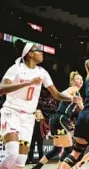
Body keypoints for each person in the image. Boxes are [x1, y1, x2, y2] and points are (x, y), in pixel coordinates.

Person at [0, 40, 80, 169]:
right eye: (38, 50)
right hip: (11, 113)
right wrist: (28, 83)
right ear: (30, 54)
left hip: (28, 118)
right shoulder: (16, 68)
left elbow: (57, 94)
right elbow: (2, 88)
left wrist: (70, 98)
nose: (41, 53)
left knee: (20, 162)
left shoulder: (42, 72)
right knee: (12, 154)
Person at [32, 71, 84, 169]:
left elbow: (82, 108)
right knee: (69, 149)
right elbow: (62, 94)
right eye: (78, 79)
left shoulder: (78, 94)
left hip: (57, 119)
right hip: (61, 118)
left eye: (81, 79)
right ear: (73, 82)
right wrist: (72, 98)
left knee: (57, 149)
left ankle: (37, 167)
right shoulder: (73, 89)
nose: (81, 80)